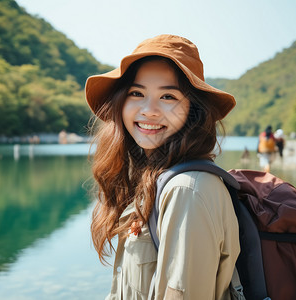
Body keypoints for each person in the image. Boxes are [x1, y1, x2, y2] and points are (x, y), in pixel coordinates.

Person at [85, 35, 240, 299]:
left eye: (168, 96)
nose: (150, 110)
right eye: (137, 93)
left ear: (194, 110)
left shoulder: (187, 190)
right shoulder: (154, 180)